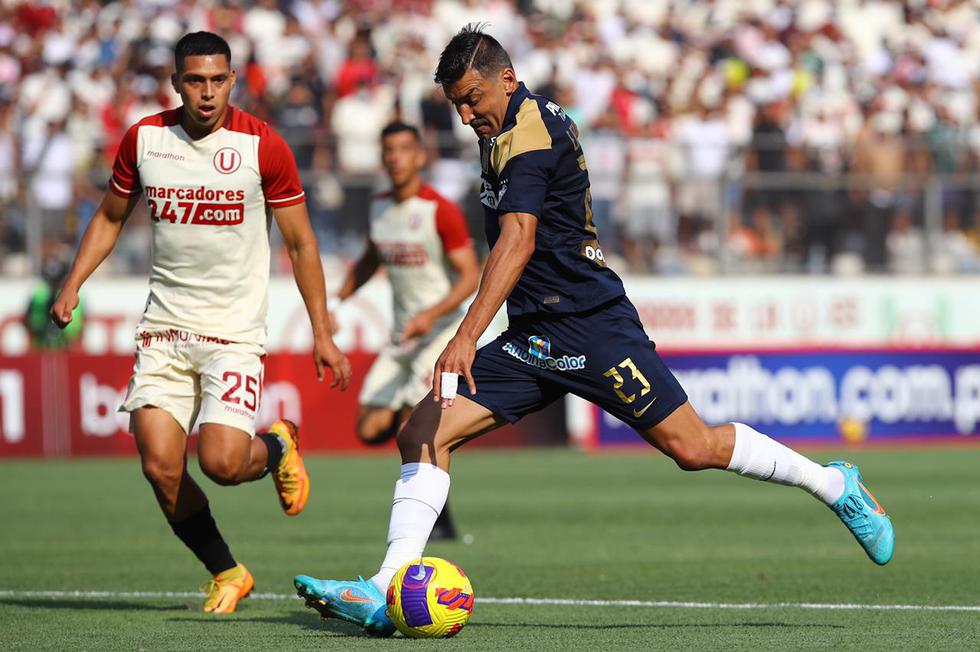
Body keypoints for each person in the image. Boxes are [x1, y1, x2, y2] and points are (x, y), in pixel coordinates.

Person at [293, 25, 894, 637]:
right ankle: (383, 587)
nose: (467, 114)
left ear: (507, 77)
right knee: (422, 429)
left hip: (590, 325)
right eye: (457, 105)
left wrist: (467, 333)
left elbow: (518, 239)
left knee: (693, 448)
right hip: (533, 333)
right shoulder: (502, 126)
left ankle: (833, 483)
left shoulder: (529, 132)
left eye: (473, 98)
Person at [50, 32, 351, 614]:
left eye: (218, 80)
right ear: (176, 82)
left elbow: (302, 244)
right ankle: (229, 571)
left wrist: (322, 333)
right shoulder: (145, 139)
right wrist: (72, 282)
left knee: (221, 464)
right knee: (161, 467)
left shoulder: (264, 146)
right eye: (195, 80)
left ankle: (277, 443)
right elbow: (111, 218)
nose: (207, 92)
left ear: (233, 80)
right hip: (163, 329)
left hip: (233, 334)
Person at [332, 121, 479, 541]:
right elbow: (368, 261)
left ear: (419, 157)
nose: (395, 158)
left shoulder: (439, 209)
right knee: (370, 428)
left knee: (413, 426)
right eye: (388, 150)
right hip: (402, 338)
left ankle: (436, 522)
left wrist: (431, 314)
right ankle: (438, 512)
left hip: (439, 336)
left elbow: (469, 277)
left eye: (403, 149)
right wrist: (334, 303)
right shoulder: (379, 207)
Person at [25, 257, 83, 350]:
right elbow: (28, 321)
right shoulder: (38, 295)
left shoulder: (74, 296)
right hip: (41, 349)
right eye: (50, 280)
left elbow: (81, 325)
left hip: (68, 349)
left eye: (57, 280)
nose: (53, 285)